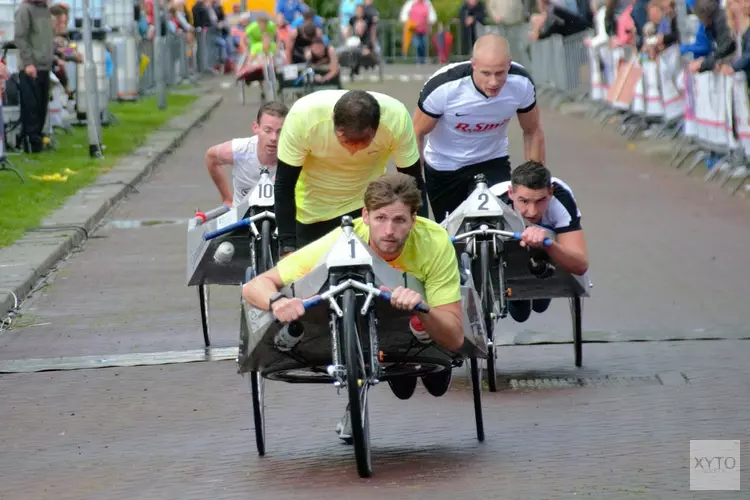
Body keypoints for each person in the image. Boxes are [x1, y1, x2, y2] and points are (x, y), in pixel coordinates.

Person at [242, 172, 464, 441]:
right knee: (403, 389)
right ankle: (365, 390)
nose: (389, 231)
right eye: (380, 218)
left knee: (437, 386)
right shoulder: (343, 239)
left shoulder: (435, 241)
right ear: (365, 216)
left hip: (421, 327)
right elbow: (254, 286)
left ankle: (412, 353)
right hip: (369, 322)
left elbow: (454, 337)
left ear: (414, 220)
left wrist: (421, 307)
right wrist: (278, 302)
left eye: (399, 220)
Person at [274, 89, 429, 255]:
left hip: (365, 211)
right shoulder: (303, 117)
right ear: (333, 119)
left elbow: (413, 185)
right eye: (346, 140)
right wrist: (287, 245)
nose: (353, 151)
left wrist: (423, 238)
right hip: (312, 212)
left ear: (378, 126)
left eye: (363, 142)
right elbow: (284, 184)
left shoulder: (396, 119)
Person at [412, 34, 545, 223]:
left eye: (500, 73)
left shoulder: (521, 83)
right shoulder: (444, 87)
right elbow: (416, 133)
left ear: (509, 64)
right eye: (486, 73)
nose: (493, 82)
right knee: (454, 237)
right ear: (473, 64)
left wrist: (534, 184)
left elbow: (532, 131)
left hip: (492, 160)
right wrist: (415, 184)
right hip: (445, 165)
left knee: (499, 230)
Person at [489, 160, 589, 322]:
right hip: (509, 250)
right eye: (524, 201)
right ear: (510, 194)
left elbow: (580, 265)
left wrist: (548, 244)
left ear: (550, 192)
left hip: (546, 246)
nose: (532, 211)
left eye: (540, 201)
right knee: (520, 315)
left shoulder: (561, 199)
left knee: (540, 304)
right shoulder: (494, 201)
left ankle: (541, 274)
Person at [204, 102, 288, 207]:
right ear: (256, 128)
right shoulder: (240, 152)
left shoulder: (294, 155)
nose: (273, 138)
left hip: (279, 216)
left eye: (279, 132)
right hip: (243, 218)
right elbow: (211, 157)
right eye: (267, 130)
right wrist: (227, 198)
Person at [14, 0, 54, 154]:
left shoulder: (45, 10)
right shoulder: (25, 10)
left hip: (44, 66)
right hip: (31, 67)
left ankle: (38, 141)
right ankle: (31, 144)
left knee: (41, 107)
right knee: (31, 108)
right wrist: (28, 63)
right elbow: (20, 38)